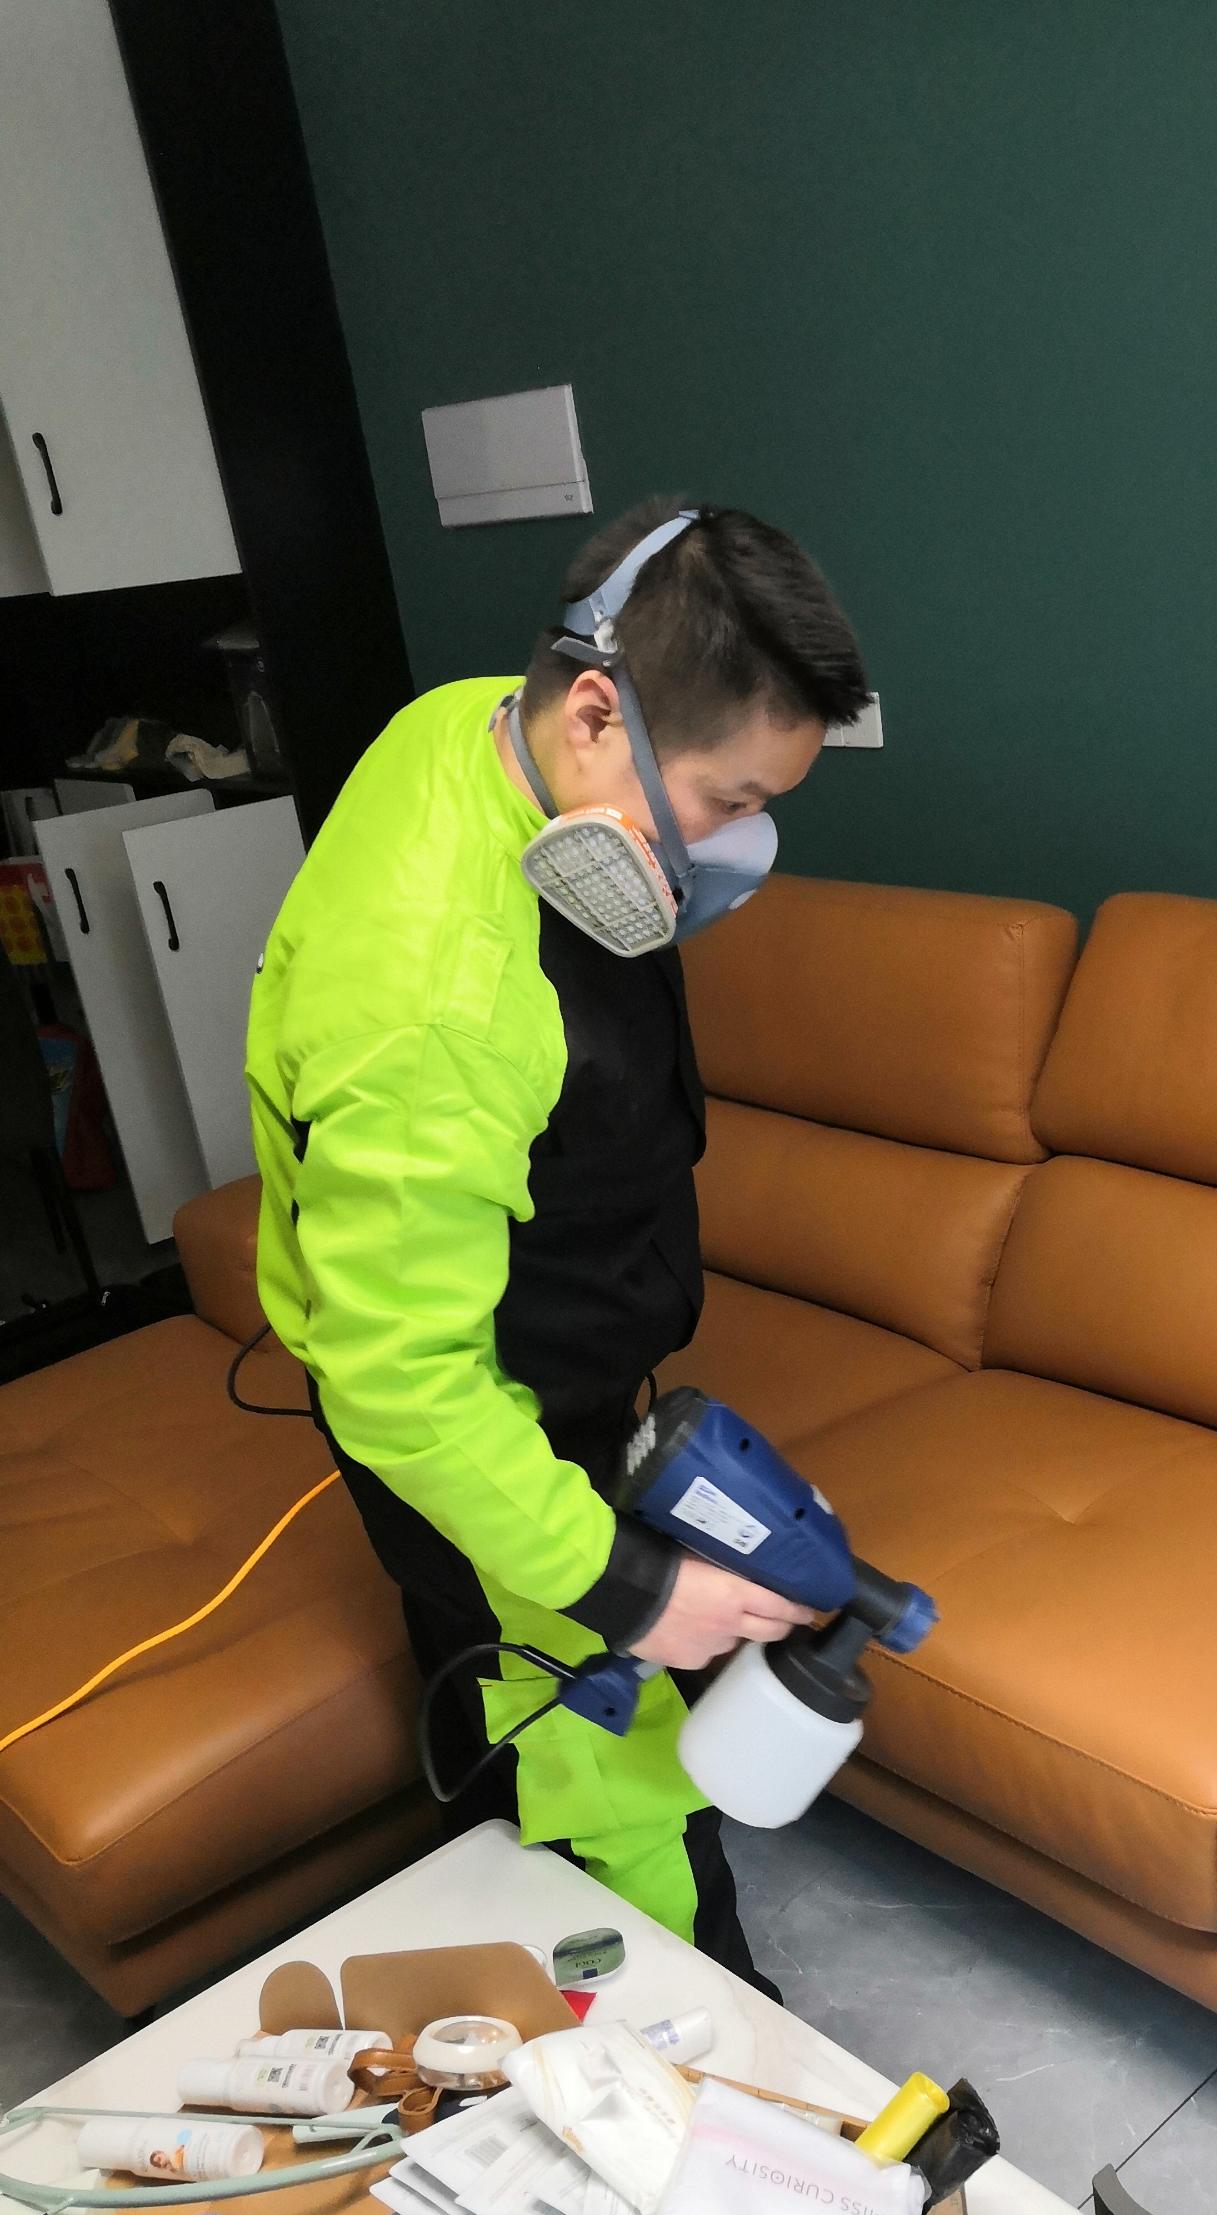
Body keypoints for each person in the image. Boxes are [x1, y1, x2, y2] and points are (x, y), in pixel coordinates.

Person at [246, 497, 871, 1983]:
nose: (738, 845)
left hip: (547, 1339)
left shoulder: (471, 727)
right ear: (596, 711)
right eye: (723, 799)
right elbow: (406, 1384)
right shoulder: (438, 1008)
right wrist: (631, 1588)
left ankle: (519, 1944)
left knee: (508, 1698)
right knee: (606, 1756)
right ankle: (686, 2019)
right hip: (476, 1407)